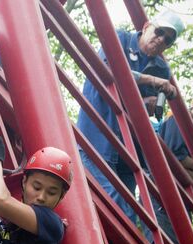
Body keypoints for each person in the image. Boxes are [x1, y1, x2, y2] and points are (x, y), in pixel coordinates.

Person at [77, 10, 185, 225]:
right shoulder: (120, 38)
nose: (161, 39)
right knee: (120, 208)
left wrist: (150, 104)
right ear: (146, 27)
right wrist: (151, 81)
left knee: (129, 206)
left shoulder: (162, 68)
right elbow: (107, 71)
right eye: (159, 32)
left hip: (128, 150)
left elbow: (147, 112)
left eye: (168, 40)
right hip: (97, 136)